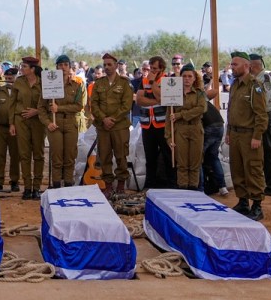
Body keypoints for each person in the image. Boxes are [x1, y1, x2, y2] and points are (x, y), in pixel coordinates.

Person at [227, 52, 269, 221]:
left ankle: (257, 206)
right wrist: (228, 132)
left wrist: (257, 136)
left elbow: (261, 115)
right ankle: (243, 202)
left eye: (235, 64)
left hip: (249, 135)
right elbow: (231, 111)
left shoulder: (255, 86)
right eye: (231, 64)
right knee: (237, 169)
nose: (232, 67)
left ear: (246, 66)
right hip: (235, 134)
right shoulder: (235, 85)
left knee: (253, 169)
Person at [39, 54, 87, 188]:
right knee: (57, 157)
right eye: (60, 65)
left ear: (70, 67)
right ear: (56, 67)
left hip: (71, 122)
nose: (63, 67)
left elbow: (79, 106)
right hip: (55, 124)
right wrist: (48, 123)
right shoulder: (48, 85)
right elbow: (41, 108)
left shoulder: (77, 84)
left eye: (66, 65)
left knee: (70, 156)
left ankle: (68, 184)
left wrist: (59, 107)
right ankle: (55, 185)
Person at [91, 53, 133, 197]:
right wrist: (104, 119)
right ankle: (108, 186)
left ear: (116, 65)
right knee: (105, 156)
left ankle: (121, 185)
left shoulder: (124, 83)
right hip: (103, 127)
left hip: (119, 126)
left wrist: (112, 119)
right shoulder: (98, 83)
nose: (107, 67)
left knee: (121, 156)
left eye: (110, 64)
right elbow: (94, 104)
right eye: (105, 65)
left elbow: (126, 105)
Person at [165, 64, 207, 190]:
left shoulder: (199, 93)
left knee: (195, 162)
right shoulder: (173, 94)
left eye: (190, 76)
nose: (187, 79)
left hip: (195, 128)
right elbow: (169, 116)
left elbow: (201, 109)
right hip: (180, 129)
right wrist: (168, 137)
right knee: (182, 163)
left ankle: (194, 190)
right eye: (184, 76)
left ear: (195, 78)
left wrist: (181, 115)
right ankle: (183, 190)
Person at [136, 56, 174, 189]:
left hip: (163, 125)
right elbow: (139, 100)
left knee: (168, 156)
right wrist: (156, 101)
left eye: (155, 69)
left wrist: (153, 84)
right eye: (150, 68)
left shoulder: (168, 81)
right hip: (147, 124)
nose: (151, 71)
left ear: (161, 69)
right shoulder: (144, 80)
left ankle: (171, 185)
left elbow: (163, 98)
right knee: (150, 158)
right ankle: (149, 185)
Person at [9, 57, 44, 200]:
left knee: (38, 154)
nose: (21, 69)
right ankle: (27, 188)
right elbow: (12, 103)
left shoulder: (43, 83)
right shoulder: (19, 82)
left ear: (32, 69)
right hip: (20, 121)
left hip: (38, 121)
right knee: (24, 155)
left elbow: (49, 103)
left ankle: (37, 187)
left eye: (24, 66)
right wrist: (12, 123)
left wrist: (36, 111)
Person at [249, 53, 271, 197]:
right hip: (260, 117)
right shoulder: (256, 79)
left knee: (268, 152)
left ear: (253, 66)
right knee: (260, 152)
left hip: (265, 116)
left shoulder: (264, 79)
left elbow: (263, 100)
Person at [0, 68, 20, 191]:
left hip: (16, 128)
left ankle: (14, 181)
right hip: (1, 127)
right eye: (7, 78)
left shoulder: (19, 91)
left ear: (16, 78)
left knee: (15, 155)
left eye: (11, 78)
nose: (9, 80)